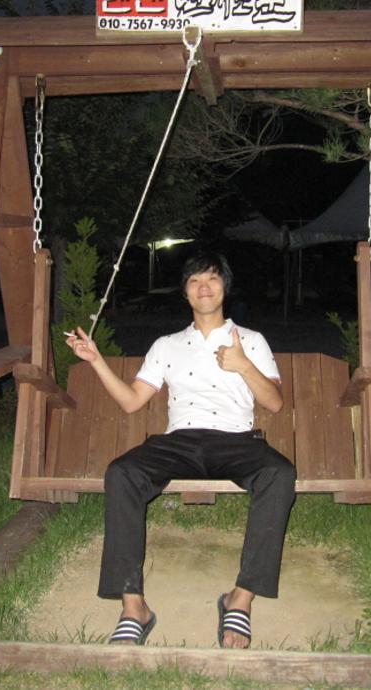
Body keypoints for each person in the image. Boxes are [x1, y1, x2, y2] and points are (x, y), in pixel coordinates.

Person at [66, 250, 296, 649]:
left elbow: (274, 403)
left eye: (212, 279)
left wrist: (243, 365)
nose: (203, 287)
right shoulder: (167, 345)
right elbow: (132, 401)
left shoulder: (251, 341)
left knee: (280, 473)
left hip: (235, 438)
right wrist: (96, 360)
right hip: (180, 440)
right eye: (194, 281)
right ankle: (133, 606)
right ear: (186, 293)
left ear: (225, 287)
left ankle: (240, 599)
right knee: (122, 472)